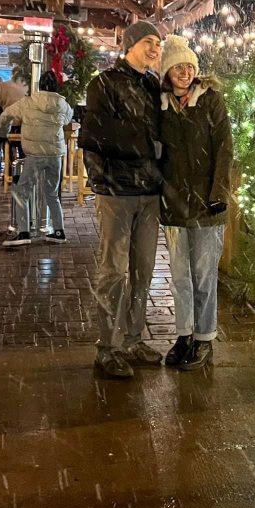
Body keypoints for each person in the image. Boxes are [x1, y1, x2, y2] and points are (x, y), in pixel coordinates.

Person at [78, 20, 165, 379]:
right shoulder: (104, 84)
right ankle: (108, 347)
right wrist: (102, 182)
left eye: (158, 44)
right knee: (113, 270)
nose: (155, 49)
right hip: (117, 192)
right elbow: (94, 135)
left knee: (143, 270)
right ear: (129, 44)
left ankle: (132, 339)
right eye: (148, 41)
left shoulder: (153, 85)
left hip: (149, 194)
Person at [158, 36, 233, 371]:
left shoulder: (210, 100)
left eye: (189, 65)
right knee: (180, 276)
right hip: (174, 205)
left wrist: (218, 193)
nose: (185, 72)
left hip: (207, 206)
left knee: (203, 276)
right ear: (167, 71)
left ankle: (205, 338)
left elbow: (224, 149)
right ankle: (184, 334)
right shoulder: (160, 105)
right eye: (178, 66)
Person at [0, 70, 74, 246]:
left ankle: (23, 232)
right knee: (52, 193)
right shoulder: (63, 104)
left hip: (35, 154)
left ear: (39, 85)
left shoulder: (28, 102)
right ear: (56, 86)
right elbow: (68, 119)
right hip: (55, 155)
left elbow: (5, 116)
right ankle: (58, 231)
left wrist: (4, 132)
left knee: (21, 192)